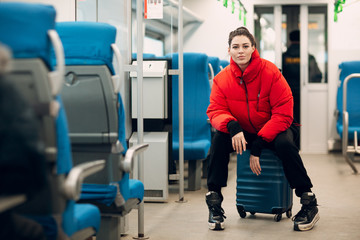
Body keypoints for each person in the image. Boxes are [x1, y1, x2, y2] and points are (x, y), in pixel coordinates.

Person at [205, 27, 319, 232]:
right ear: (229, 50)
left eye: (245, 46)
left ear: (253, 48)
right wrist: (232, 125)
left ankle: (308, 200)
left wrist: (258, 144)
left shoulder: (270, 72)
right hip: (245, 130)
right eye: (235, 47)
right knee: (219, 140)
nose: (240, 51)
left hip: (277, 127)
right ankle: (214, 203)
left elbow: (284, 113)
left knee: (285, 144)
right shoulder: (221, 79)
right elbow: (215, 110)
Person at [282, 30, 322, 125]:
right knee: (302, 118)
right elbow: (317, 75)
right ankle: (302, 136)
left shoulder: (283, 57)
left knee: (289, 118)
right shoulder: (308, 57)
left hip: (287, 94)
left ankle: (293, 138)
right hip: (304, 94)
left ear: (290, 39)